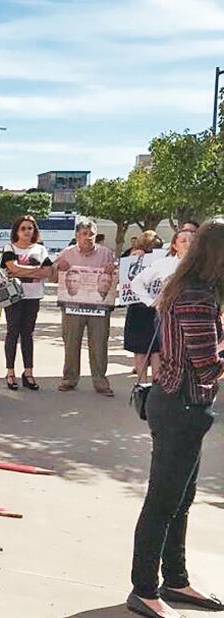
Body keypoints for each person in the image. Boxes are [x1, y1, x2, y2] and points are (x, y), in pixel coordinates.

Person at [127, 220, 224, 618]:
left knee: (180, 499)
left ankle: (176, 579)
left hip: (184, 405)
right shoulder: (195, 297)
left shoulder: (191, 289)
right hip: (181, 406)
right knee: (163, 502)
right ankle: (144, 589)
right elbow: (207, 366)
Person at [54, 218, 117, 396]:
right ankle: (69, 379)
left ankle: (100, 382)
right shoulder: (67, 253)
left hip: (99, 307)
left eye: (92, 234)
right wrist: (58, 266)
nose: (88, 237)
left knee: (99, 344)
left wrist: (113, 269)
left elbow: (116, 274)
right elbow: (53, 274)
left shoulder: (106, 253)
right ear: (77, 235)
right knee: (71, 343)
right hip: (73, 307)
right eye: (84, 234)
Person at [128, 229, 193, 380]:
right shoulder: (165, 264)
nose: (188, 244)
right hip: (169, 318)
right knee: (169, 353)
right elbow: (137, 282)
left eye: (192, 241)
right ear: (174, 245)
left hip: (194, 317)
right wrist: (151, 302)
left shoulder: (204, 265)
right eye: (183, 241)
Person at [0, 215, 53, 390]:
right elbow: (12, 267)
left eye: (30, 228)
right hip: (14, 297)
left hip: (33, 296)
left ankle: (28, 372)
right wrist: (36, 270)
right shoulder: (10, 248)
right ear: (16, 231)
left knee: (28, 334)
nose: (27, 231)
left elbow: (48, 272)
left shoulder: (40, 249)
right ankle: (10, 372)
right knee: (12, 332)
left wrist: (21, 272)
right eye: (23, 228)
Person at [123, 231, 163, 381]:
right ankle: (154, 382)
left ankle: (143, 382)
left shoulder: (132, 257)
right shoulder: (134, 257)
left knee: (144, 349)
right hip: (151, 307)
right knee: (154, 349)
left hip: (141, 308)